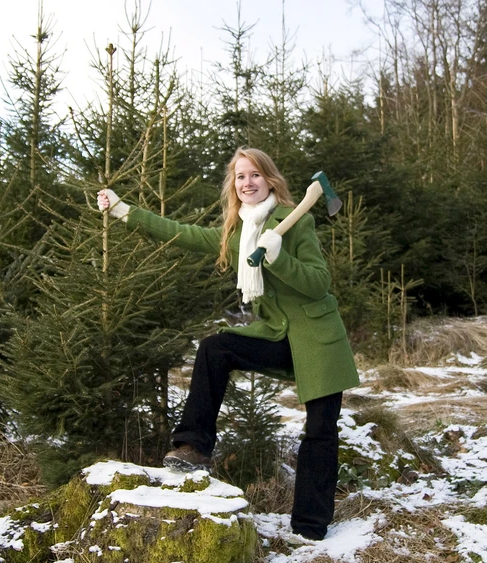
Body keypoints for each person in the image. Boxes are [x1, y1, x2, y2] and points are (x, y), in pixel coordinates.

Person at [96, 147, 359, 542]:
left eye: (254, 175)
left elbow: (319, 284)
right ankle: (193, 448)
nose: (247, 182)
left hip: (319, 338)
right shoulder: (238, 232)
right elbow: (181, 232)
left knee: (320, 430)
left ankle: (310, 527)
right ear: (233, 185)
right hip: (277, 335)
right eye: (240, 177)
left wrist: (278, 258)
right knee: (215, 349)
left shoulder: (296, 222)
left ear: (269, 179)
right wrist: (124, 211)